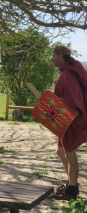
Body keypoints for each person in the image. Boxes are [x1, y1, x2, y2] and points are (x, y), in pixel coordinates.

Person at [49, 46, 87, 200]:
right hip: (64, 119)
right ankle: (72, 182)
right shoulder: (67, 73)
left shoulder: (66, 75)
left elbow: (72, 101)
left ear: (61, 56)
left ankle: (72, 191)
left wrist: (54, 108)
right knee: (60, 151)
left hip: (69, 120)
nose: (51, 59)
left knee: (70, 154)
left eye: (53, 56)